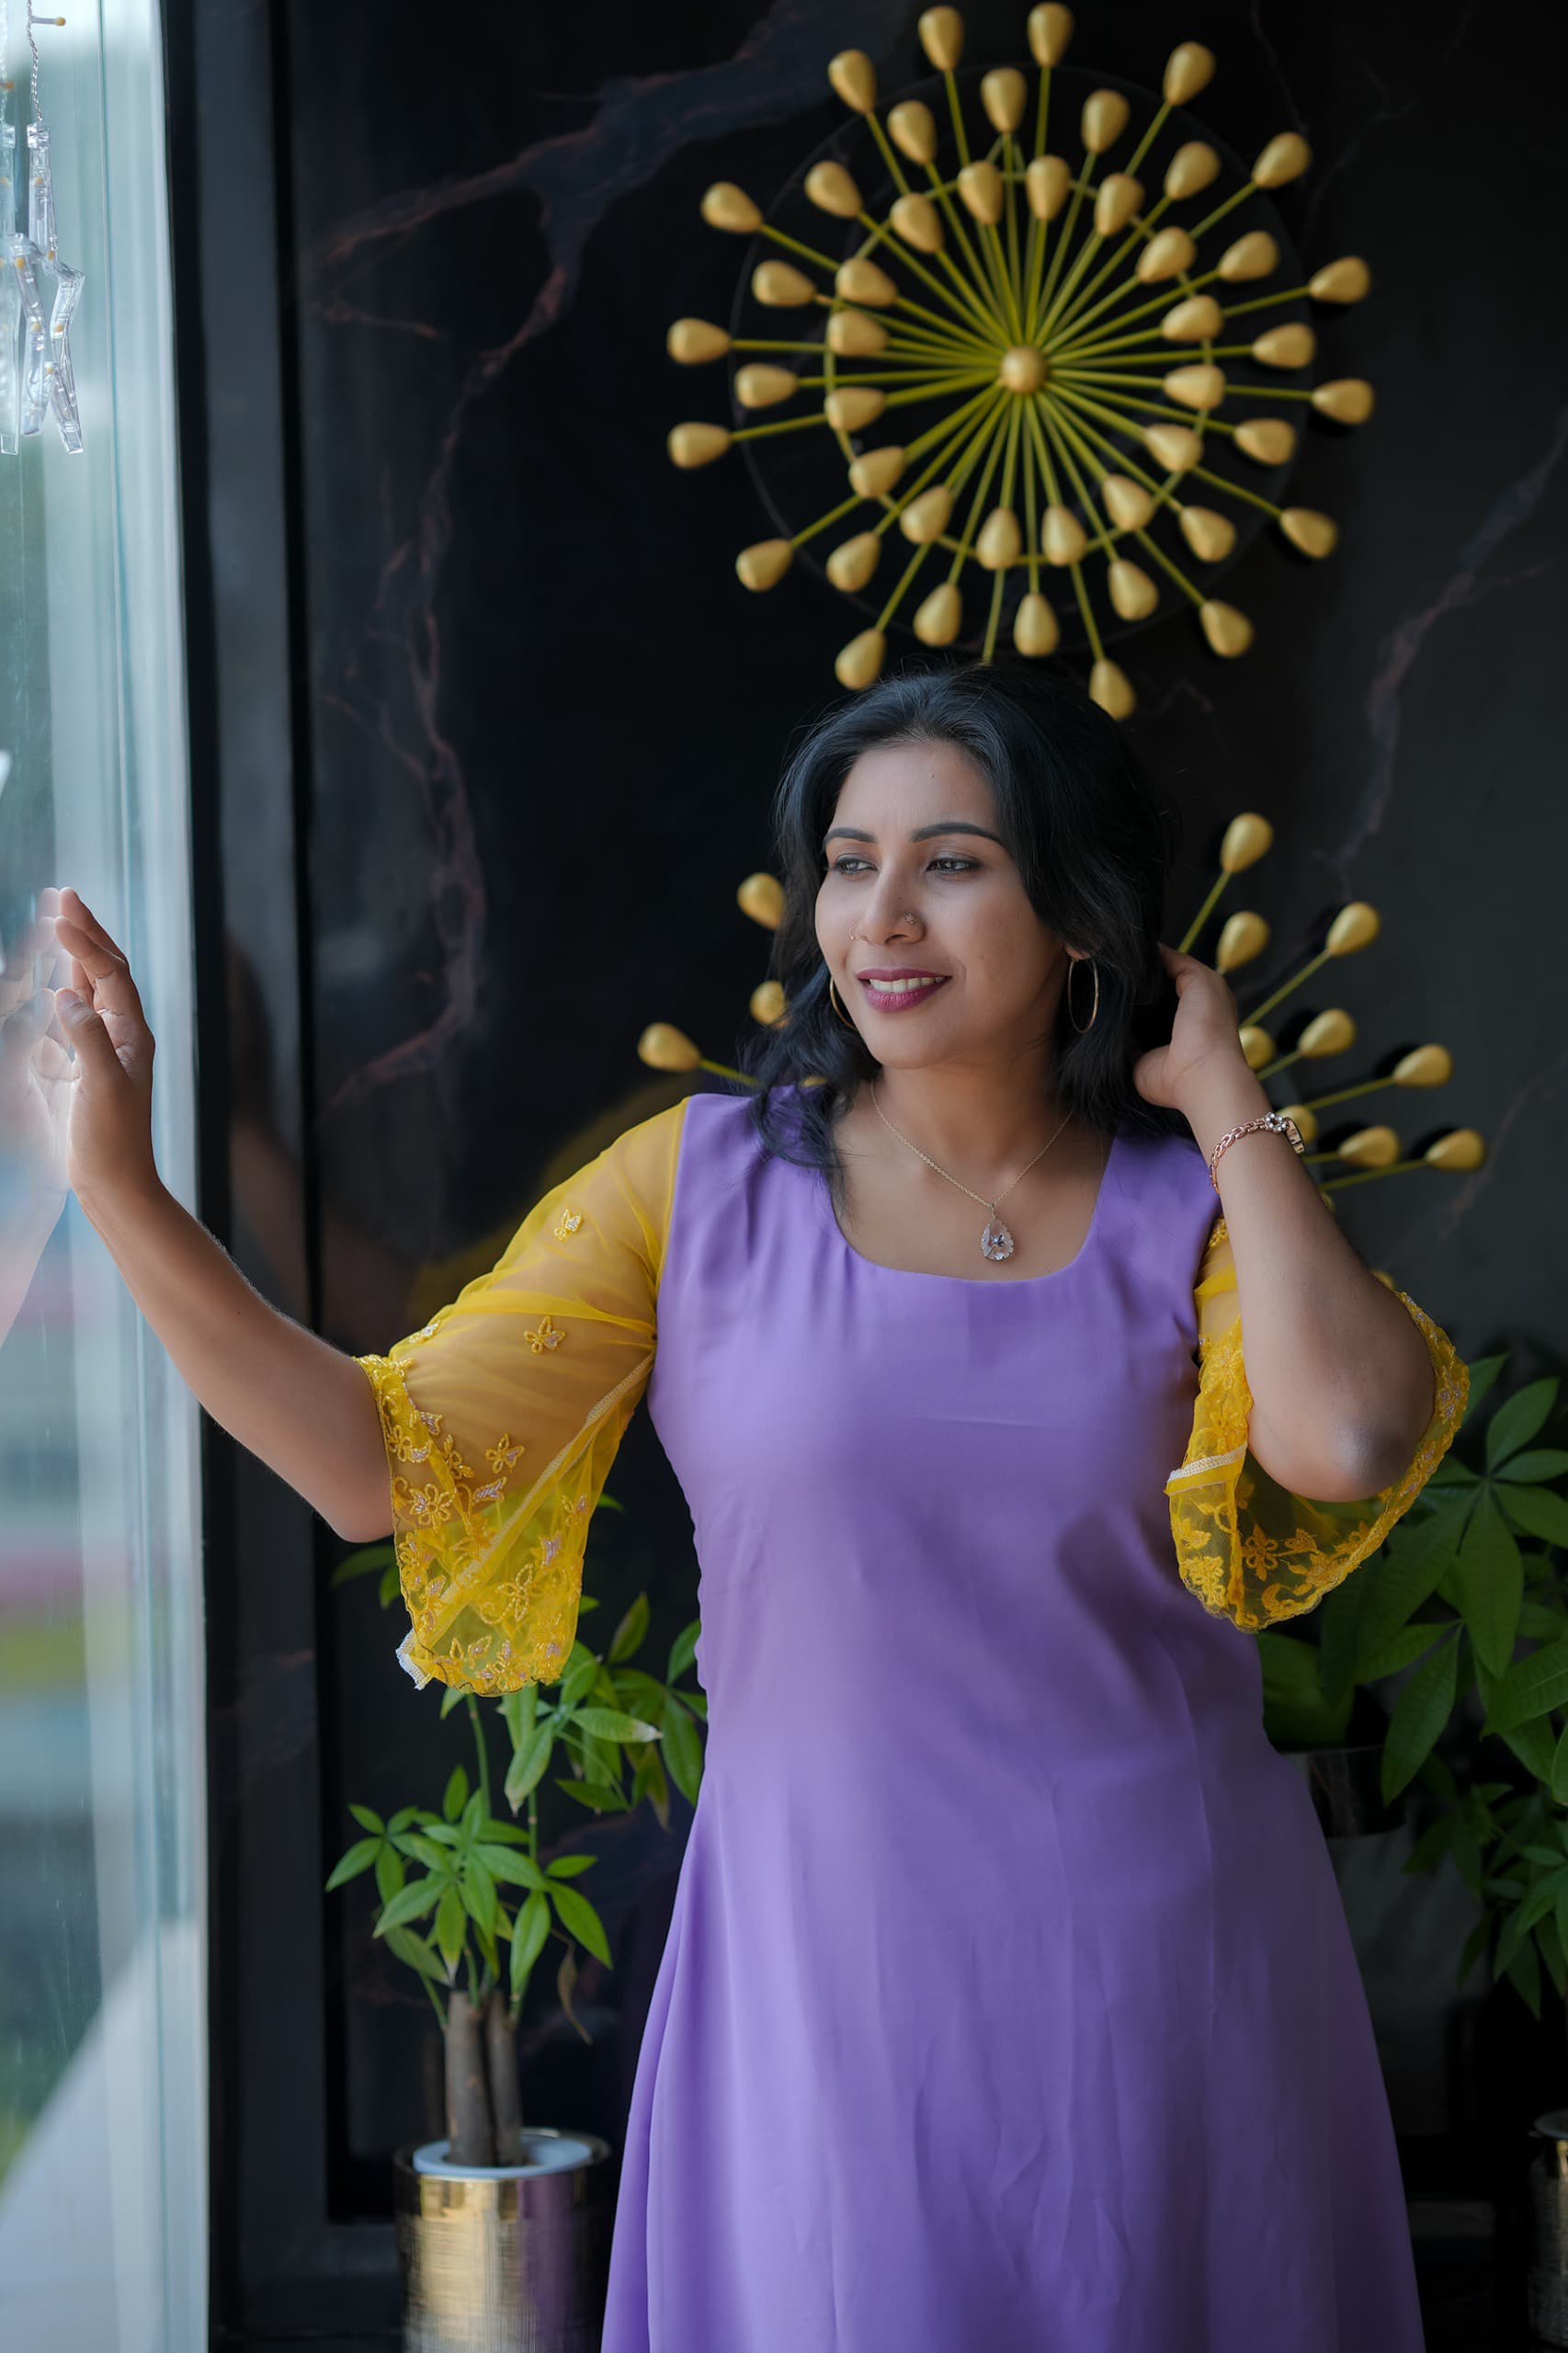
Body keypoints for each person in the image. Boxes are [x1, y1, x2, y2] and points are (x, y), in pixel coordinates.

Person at [43, 659, 1464, 2352]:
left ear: (1078, 910)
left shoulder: (1196, 1213)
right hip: (825, 1976)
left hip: (1173, 1968)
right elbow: (370, 1465)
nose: (883, 916)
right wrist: (119, 1188)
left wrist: (1225, 1100)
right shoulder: (695, 1188)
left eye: (952, 862)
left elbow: (1349, 1438)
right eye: (849, 864)